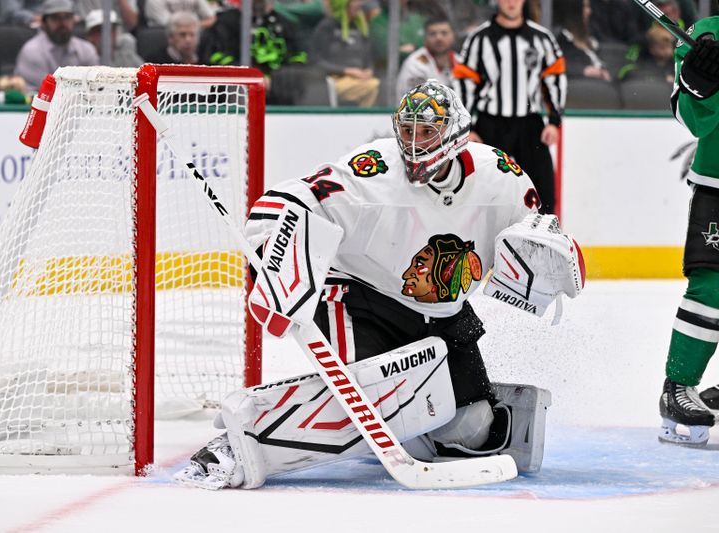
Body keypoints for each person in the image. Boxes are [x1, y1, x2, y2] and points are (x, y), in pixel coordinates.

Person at [172, 80, 583, 489]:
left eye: (427, 132)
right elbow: (292, 200)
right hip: (358, 298)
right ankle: (236, 443)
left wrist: (553, 258)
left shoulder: (501, 176)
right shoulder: (373, 169)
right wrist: (274, 249)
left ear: (455, 132)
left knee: (474, 430)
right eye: (407, 131)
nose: (416, 144)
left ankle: (408, 423)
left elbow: (534, 234)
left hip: (443, 315)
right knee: (372, 400)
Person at [658, 7, 719, 447]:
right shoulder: (705, 34)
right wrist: (703, 86)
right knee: (712, 289)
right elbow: (692, 119)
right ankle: (677, 387)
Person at [454, 0, 567, 215]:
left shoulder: (541, 38)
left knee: (543, 191)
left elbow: (555, 78)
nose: (511, 2)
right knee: (483, 188)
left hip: (530, 124)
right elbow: (464, 83)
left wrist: (553, 121)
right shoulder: (480, 39)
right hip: (490, 124)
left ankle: (546, 240)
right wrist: (467, 128)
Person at [198, 0, 307, 105]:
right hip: (237, 97)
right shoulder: (226, 22)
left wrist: (275, 79)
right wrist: (252, 77)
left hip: (281, 94)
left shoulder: (286, 24)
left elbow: (299, 58)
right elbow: (216, 57)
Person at [14, 0, 99, 92]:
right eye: (55, 18)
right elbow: (44, 92)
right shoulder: (31, 51)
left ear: (74, 20)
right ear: (44, 23)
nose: (63, 23)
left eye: (67, 17)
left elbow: (95, 87)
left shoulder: (87, 49)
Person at [310, 0, 379, 107]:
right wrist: (347, 71)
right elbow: (316, 61)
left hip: (360, 77)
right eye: (354, 2)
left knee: (376, 84)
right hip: (335, 79)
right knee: (372, 86)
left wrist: (369, 69)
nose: (359, 4)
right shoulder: (327, 27)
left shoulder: (360, 26)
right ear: (343, 4)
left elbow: (368, 56)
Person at [394, 18, 456, 103]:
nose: (439, 38)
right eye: (433, 34)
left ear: (453, 36)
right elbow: (410, 103)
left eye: (444, 33)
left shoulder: (462, 62)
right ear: (425, 38)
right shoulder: (414, 64)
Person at [554, 0, 611, 82]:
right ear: (575, 10)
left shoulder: (592, 35)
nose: (589, 11)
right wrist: (584, 70)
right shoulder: (562, 38)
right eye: (585, 7)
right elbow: (553, 64)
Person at [143, 0, 216, 29]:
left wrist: (196, 26)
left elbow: (211, 18)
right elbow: (172, 26)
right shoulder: (153, 1)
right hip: (163, 37)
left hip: (195, 33)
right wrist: (196, 25)